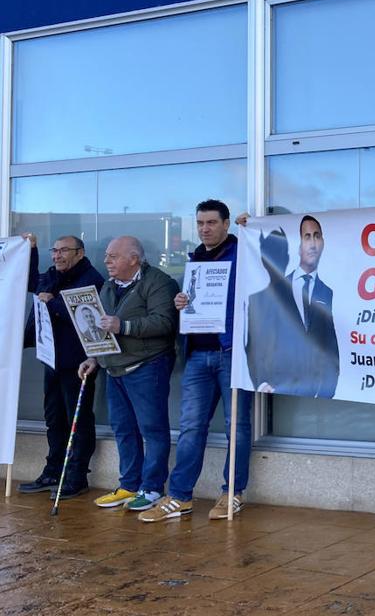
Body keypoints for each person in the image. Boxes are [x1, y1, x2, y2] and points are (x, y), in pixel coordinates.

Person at [139, 200, 251, 523]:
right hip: (198, 356)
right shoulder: (194, 259)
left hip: (231, 354)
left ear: (226, 224)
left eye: (212, 223)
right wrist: (182, 302)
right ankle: (179, 497)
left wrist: (253, 229)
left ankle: (233, 493)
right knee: (190, 428)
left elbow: (272, 257)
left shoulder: (243, 253)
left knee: (237, 428)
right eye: (200, 223)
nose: (205, 228)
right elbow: (193, 303)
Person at [79, 235, 179, 513]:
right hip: (114, 368)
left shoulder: (159, 282)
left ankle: (153, 488)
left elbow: (165, 322)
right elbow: (101, 328)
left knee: (152, 429)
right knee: (123, 429)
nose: (107, 260)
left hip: (147, 365)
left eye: (113, 256)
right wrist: (94, 358)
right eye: (107, 256)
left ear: (134, 258)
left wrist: (124, 326)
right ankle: (129, 485)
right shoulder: (108, 287)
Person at [18, 235, 105, 499]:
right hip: (52, 359)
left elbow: (81, 314)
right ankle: (53, 470)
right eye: (54, 250)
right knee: (54, 418)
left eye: (64, 251)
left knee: (77, 420)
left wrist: (51, 302)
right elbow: (32, 282)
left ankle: (77, 476)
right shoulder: (53, 276)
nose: (57, 256)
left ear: (80, 252)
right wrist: (32, 250)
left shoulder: (91, 278)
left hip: (79, 362)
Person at [245, 214, 339, 398]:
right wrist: (262, 382)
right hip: (276, 391)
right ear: (298, 245)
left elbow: (330, 345)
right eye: (307, 237)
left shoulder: (327, 292)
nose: (313, 244)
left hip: (315, 393)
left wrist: (328, 391)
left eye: (317, 236)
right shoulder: (270, 295)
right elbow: (256, 344)